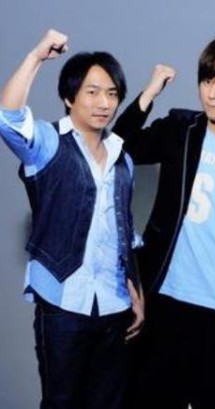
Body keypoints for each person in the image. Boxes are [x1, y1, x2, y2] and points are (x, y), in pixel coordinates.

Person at [112, 37, 215, 409]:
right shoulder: (179, 128)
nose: (211, 93)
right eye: (206, 81)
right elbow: (118, 148)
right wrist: (148, 94)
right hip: (163, 300)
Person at [0, 29, 144, 409]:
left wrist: (135, 292)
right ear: (69, 97)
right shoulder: (49, 144)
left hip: (114, 306)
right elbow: (7, 118)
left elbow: (123, 230)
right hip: (62, 303)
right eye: (92, 92)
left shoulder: (123, 159)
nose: (104, 103)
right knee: (61, 402)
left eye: (112, 93)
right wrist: (36, 56)